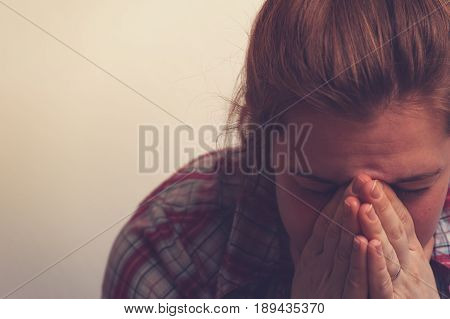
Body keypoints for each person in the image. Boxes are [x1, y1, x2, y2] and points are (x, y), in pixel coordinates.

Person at [102, 0, 449, 298]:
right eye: (317, 186)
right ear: (264, 144)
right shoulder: (170, 249)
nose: (360, 228)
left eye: (411, 187)